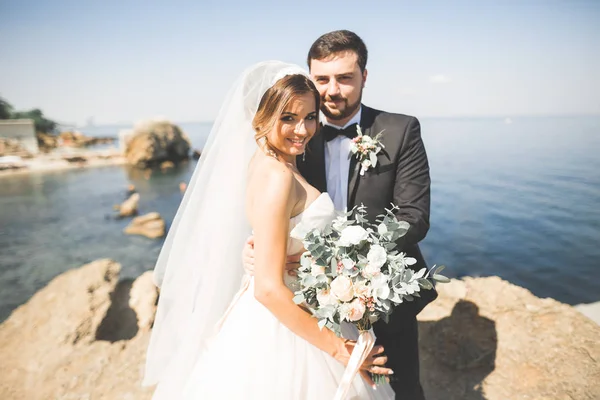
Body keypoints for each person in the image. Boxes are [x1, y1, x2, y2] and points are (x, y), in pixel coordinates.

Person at [143, 61, 395, 399]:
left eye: (309, 117)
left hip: (291, 308)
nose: (302, 130)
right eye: (287, 118)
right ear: (261, 117)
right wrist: (340, 349)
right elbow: (267, 288)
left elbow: (277, 236)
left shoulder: (264, 161)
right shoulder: (278, 175)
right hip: (285, 324)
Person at [243, 30, 438, 399]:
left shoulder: (400, 130)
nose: (332, 90)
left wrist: (347, 260)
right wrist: (256, 247)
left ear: (364, 76)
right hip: (314, 306)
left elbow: (414, 216)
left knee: (401, 386)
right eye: (322, 79)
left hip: (385, 295)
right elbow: (275, 207)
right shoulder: (296, 135)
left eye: (345, 78)